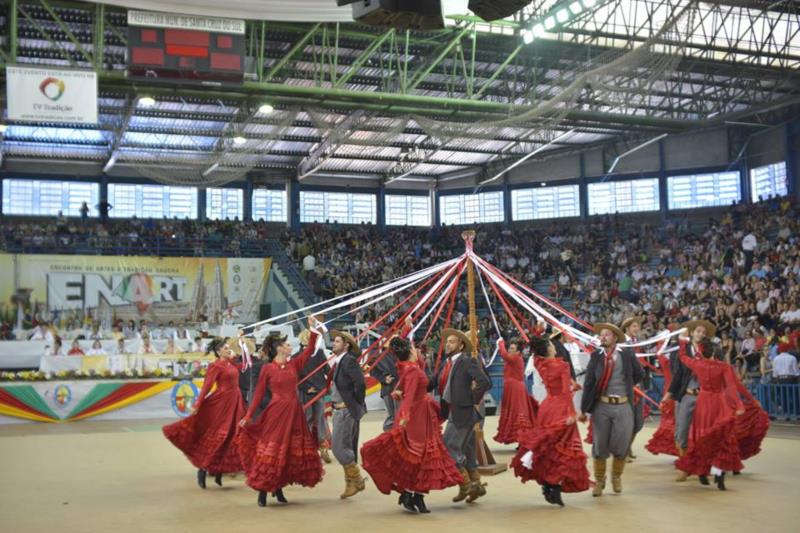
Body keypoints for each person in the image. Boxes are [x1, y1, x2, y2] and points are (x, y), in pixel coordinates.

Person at [361, 337, 462, 514]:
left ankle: (413, 494)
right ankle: (414, 495)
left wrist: (406, 331)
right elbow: (409, 396)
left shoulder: (410, 368)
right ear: (409, 353)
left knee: (420, 456)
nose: (417, 350)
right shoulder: (412, 370)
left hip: (421, 414)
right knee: (421, 456)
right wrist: (405, 414)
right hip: (417, 416)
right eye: (413, 348)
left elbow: (407, 383)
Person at [237, 319, 324, 507]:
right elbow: (259, 394)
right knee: (273, 450)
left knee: (289, 452)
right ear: (279, 349)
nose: (289, 346)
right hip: (276, 413)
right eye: (286, 344)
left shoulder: (294, 364)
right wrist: (248, 415)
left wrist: (313, 329)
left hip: (294, 412)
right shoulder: (267, 369)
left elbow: (310, 350)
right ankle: (263, 491)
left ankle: (278, 488)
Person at [511, 336, 590, 507]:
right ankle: (553, 484)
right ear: (547, 349)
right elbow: (564, 393)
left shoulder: (539, 363)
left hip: (547, 407)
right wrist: (571, 413)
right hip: (560, 408)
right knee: (565, 448)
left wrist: (571, 384)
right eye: (551, 345)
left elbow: (557, 384)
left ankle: (550, 484)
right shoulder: (563, 365)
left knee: (548, 447)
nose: (555, 347)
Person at [162, 336, 246, 490]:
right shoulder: (215, 366)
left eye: (229, 348)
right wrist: (197, 404)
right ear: (219, 351)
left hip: (235, 402)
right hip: (222, 403)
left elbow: (245, 366)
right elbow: (207, 386)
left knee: (232, 436)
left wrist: (244, 346)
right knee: (219, 436)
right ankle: (202, 469)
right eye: (226, 348)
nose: (229, 350)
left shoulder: (231, 363)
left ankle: (220, 471)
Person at [578, 323, 643, 497]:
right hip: (602, 406)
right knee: (600, 444)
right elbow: (589, 383)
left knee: (622, 443)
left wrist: (628, 385)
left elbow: (639, 374)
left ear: (615, 338)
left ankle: (616, 477)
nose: (603, 337)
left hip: (623, 405)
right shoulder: (595, 357)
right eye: (601, 335)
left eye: (607, 334)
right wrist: (584, 409)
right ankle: (599, 480)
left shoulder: (627, 355)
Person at [674, 337, 744, 490]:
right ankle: (719, 473)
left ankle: (702, 471)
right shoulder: (724, 367)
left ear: (701, 352)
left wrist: (682, 343)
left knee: (702, 438)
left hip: (703, 403)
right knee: (721, 438)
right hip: (719, 403)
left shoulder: (698, 364)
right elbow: (731, 388)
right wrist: (738, 405)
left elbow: (682, 357)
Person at [431, 328, 491, 504]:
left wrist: (471, 399)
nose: (447, 344)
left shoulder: (467, 361)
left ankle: (465, 485)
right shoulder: (445, 362)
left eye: (452, 342)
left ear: (461, 344)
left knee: (449, 447)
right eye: (447, 341)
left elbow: (485, 381)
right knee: (467, 451)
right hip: (453, 411)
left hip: (462, 412)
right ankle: (476, 485)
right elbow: (433, 381)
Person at [661, 319, 717, 482]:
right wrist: (670, 393)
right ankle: (684, 467)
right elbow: (677, 374)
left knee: (707, 432)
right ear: (691, 333)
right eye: (698, 331)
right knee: (682, 431)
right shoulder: (681, 351)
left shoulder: (712, 350)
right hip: (686, 395)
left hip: (706, 397)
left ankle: (704, 466)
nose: (701, 334)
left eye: (703, 332)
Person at [326, 328, 368, 499]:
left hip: (346, 410)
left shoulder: (348, 361)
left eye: (337, 341)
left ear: (346, 345)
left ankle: (357, 479)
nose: (333, 343)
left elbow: (360, 384)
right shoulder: (341, 361)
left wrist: (353, 404)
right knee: (344, 446)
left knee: (338, 447)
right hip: (340, 409)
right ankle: (350, 482)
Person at [296, 329, 333, 464]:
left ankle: (314, 447)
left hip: (312, 391)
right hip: (313, 391)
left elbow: (327, 370)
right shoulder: (303, 355)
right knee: (318, 419)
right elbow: (327, 371)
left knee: (309, 420)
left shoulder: (299, 355)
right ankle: (320, 446)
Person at [493, 336, 537, 445]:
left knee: (518, 413)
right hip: (512, 388)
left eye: (512, 348)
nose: (510, 350)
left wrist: (501, 343)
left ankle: (523, 439)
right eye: (510, 348)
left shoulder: (516, 358)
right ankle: (521, 439)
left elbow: (504, 355)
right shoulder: (514, 358)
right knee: (516, 413)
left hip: (515, 389)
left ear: (518, 351)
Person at [621, 316, 646, 462]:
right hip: (627, 386)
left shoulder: (638, 343)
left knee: (638, 421)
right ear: (627, 328)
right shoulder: (623, 344)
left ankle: (628, 446)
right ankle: (623, 450)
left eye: (638, 326)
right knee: (627, 420)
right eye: (634, 326)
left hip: (639, 384)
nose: (637, 329)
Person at [646, 342, 678, 457]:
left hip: (669, 392)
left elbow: (659, 353)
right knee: (674, 422)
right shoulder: (681, 362)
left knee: (668, 421)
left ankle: (664, 446)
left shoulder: (666, 361)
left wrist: (662, 342)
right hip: (675, 393)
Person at [370, 334, 400, 432]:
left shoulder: (401, 354)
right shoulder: (380, 356)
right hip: (389, 388)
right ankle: (389, 435)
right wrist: (383, 378)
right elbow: (372, 370)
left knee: (399, 415)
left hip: (400, 388)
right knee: (393, 415)